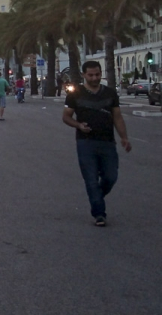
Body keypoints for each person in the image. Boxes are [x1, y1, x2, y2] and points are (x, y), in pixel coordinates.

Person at [62, 61, 132, 226]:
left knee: (110, 177)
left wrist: (124, 137)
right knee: (91, 180)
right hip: (85, 143)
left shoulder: (110, 93)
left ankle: (96, 196)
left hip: (108, 142)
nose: (94, 78)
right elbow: (66, 117)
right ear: (84, 75)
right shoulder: (75, 94)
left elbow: (117, 117)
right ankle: (99, 213)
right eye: (91, 75)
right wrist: (79, 125)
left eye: (97, 75)